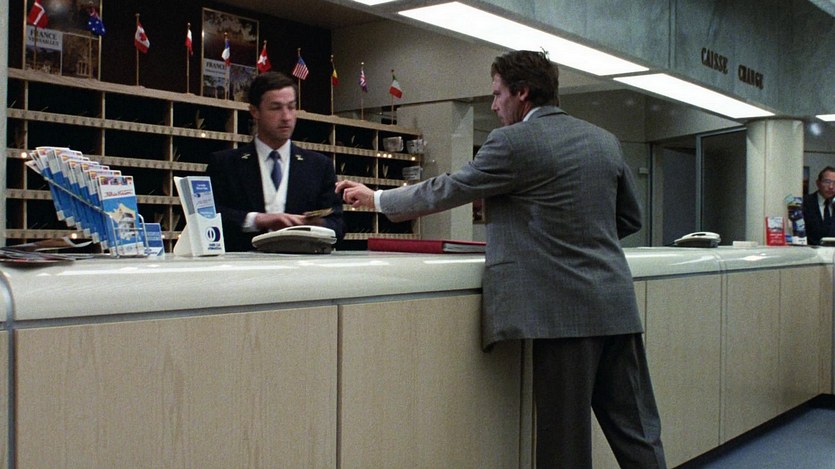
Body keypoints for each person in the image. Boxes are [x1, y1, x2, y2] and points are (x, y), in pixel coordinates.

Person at [336, 50, 666, 468]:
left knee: (564, 445)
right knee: (638, 434)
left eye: (497, 94)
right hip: (617, 306)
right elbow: (630, 218)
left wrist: (378, 198)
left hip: (561, 317)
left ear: (522, 93)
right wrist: (581, 239)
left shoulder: (513, 142)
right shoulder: (604, 140)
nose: (493, 106)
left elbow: (450, 188)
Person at [206, 71, 343, 251]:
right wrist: (257, 220)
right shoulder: (225, 164)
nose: (286, 117)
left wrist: (314, 224)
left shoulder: (319, 166)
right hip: (241, 264)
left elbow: (338, 225)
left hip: (302, 264)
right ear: (255, 111)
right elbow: (207, 217)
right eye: (276, 108)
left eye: (291, 107)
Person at [802, 166, 835, 245]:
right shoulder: (805, 203)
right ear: (818, 183)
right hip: (810, 250)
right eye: (827, 182)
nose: (831, 187)